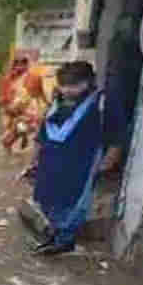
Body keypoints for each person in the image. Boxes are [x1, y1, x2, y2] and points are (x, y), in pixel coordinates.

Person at [23, 61, 125, 256]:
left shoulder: (103, 102)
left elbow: (117, 135)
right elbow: (42, 134)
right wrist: (33, 159)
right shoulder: (56, 102)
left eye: (75, 85)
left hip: (82, 161)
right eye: (64, 85)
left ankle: (65, 241)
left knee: (74, 200)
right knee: (47, 197)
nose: (68, 90)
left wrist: (109, 160)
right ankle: (55, 233)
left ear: (89, 82)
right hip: (50, 160)